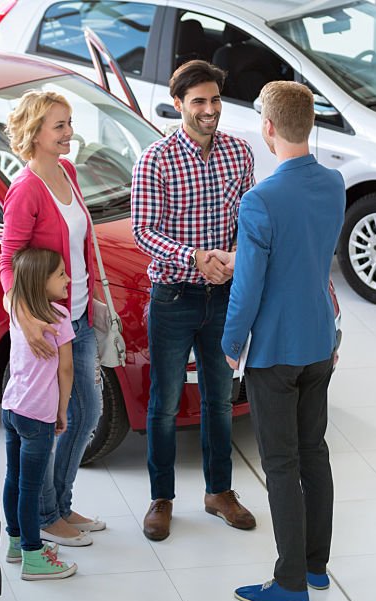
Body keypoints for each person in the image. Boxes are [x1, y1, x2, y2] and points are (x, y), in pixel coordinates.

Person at [220, 81, 345, 601]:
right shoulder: (335, 183)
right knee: (314, 452)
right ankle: (316, 567)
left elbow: (248, 285)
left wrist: (230, 344)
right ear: (308, 124)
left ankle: (289, 582)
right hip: (320, 340)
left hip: (275, 350)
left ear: (268, 128)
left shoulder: (260, 199)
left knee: (282, 464)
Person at [130, 60, 256, 541]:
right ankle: (161, 498)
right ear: (178, 103)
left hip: (224, 296)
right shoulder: (156, 160)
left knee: (219, 400)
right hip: (174, 295)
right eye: (199, 101)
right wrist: (194, 256)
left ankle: (219, 492)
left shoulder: (239, 154)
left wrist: (235, 257)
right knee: (163, 403)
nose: (209, 110)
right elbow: (143, 231)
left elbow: (249, 220)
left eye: (215, 100)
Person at [1, 90, 104, 547]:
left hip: (77, 317)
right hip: (47, 324)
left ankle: (59, 504)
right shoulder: (25, 190)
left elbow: (79, 247)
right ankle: (45, 514)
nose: (69, 133)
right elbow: (9, 262)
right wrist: (25, 319)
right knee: (48, 422)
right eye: (59, 126)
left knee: (85, 413)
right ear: (35, 134)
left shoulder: (67, 171)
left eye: (69, 123)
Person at [1, 247, 78, 581]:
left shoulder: (19, 312)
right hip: (38, 415)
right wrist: (62, 411)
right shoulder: (59, 318)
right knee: (31, 488)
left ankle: (16, 543)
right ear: (41, 281)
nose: (68, 278)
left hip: (12, 407)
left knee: (13, 478)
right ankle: (34, 556)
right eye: (60, 274)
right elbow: (67, 370)